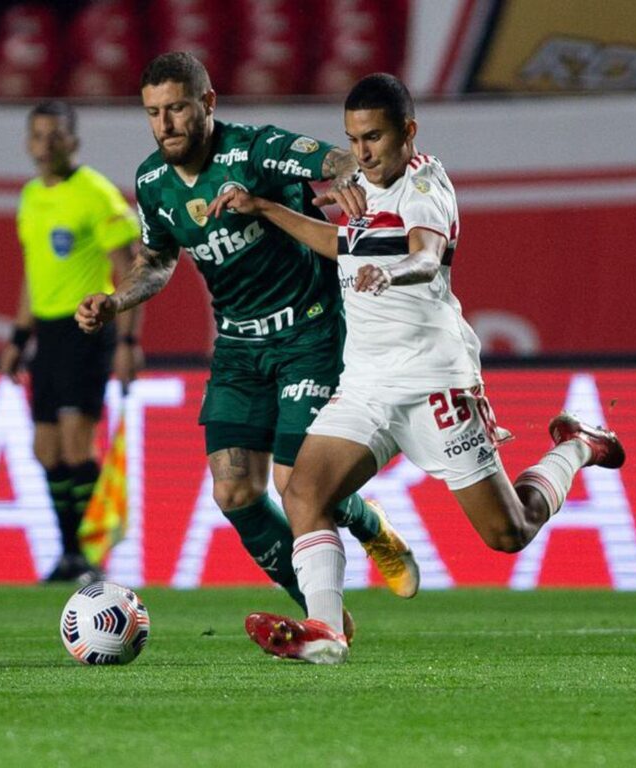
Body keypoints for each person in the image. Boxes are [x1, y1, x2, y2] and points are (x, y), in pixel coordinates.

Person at [207, 72, 627, 664]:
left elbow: (426, 257)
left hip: (435, 380)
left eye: (374, 137)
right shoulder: (362, 186)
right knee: (304, 492)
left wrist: (392, 272)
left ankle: (578, 445)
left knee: (507, 533)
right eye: (353, 140)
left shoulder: (425, 184)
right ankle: (326, 631)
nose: (362, 152)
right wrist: (266, 208)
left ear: (408, 131)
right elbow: (340, 244)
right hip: (367, 382)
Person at [76, 52, 419, 622]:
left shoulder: (254, 149)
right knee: (233, 493)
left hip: (309, 330)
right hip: (238, 347)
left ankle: (367, 526)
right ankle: (311, 603)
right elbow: (157, 261)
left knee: (294, 482)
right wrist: (116, 301)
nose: (165, 125)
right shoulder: (152, 182)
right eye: (154, 113)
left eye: (177, 109)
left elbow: (331, 157)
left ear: (207, 103)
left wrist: (343, 176)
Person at [0, 100, 143, 584]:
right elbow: (33, 273)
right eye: (38, 135)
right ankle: (69, 554)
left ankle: (90, 554)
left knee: (78, 447)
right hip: (47, 333)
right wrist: (19, 336)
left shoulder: (96, 194)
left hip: (88, 329)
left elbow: (131, 271)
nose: (46, 145)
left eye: (56, 136)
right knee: (46, 449)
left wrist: (127, 339)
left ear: (74, 141)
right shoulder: (30, 198)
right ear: (27, 142)